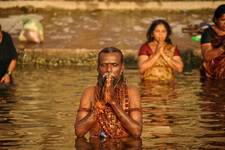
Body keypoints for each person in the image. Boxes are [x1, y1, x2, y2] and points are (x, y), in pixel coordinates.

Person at [75, 47, 142, 139]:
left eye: (114, 65)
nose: (109, 70)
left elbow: (136, 132)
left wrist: (113, 102)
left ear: (122, 68)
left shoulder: (131, 92)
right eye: (103, 65)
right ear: (98, 68)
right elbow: (79, 132)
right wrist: (101, 103)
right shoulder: (90, 92)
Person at [200, 4, 225, 80]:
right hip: (213, 74)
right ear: (216, 19)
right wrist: (223, 48)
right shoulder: (208, 33)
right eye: (223, 20)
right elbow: (206, 56)